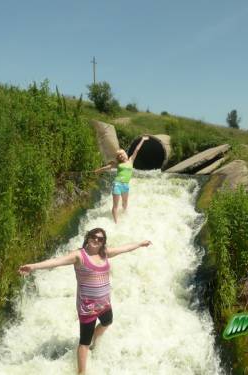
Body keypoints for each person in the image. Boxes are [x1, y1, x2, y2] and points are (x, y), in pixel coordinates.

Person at [18, 227, 152, 374]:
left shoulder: (105, 254)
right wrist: (33, 267)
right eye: (94, 237)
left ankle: (95, 340)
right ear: (88, 237)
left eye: (100, 239)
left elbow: (124, 248)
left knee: (107, 322)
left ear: (103, 243)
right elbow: (56, 261)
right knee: (84, 342)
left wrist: (139, 244)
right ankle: (81, 372)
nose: (96, 240)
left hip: (105, 303)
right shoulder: (79, 256)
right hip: (88, 307)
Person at [94, 136, 149, 223]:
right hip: (117, 184)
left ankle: (124, 215)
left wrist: (143, 140)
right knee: (115, 205)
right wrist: (99, 170)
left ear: (125, 154)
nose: (121, 156)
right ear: (118, 158)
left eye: (122, 153)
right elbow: (108, 167)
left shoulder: (131, 160)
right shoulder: (118, 164)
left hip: (125, 185)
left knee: (125, 204)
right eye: (119, 155)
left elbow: (137, 150)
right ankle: (116, 222)